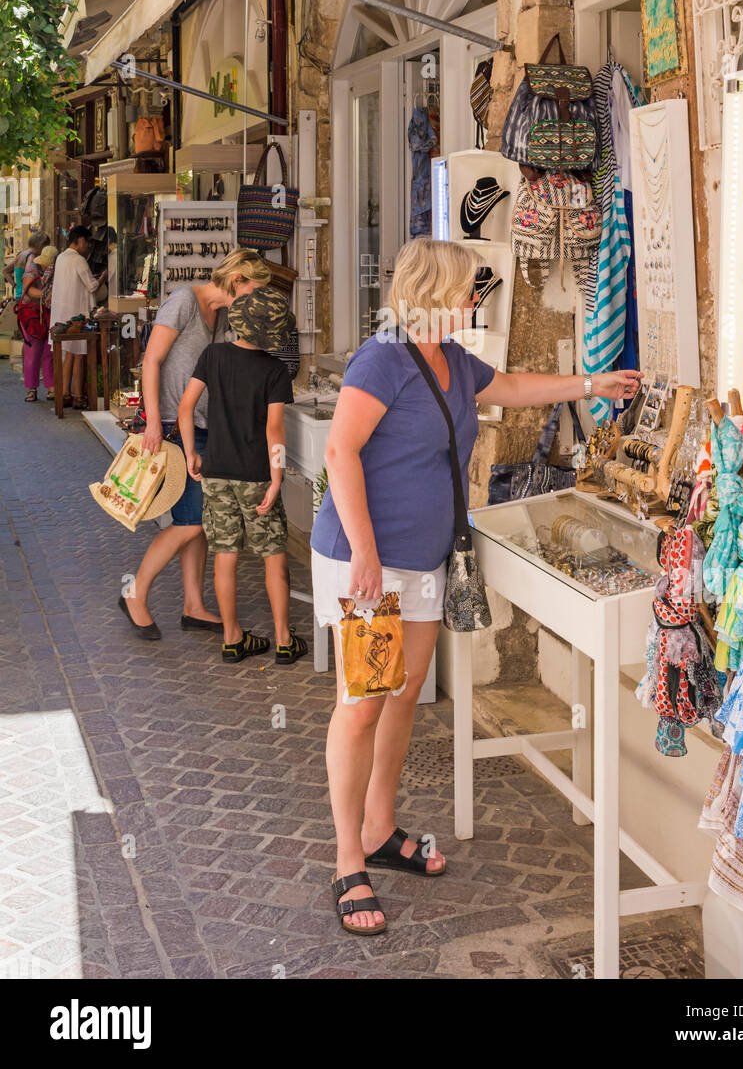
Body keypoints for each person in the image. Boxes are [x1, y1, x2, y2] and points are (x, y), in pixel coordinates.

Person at [311, 236, 642, 935]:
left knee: (405, 692)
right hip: (368, 560)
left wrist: (593, 384)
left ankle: (379, 828)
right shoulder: (383, 357)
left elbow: (512, 388)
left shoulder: (453, 360)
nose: (475, 299)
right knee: (363, 703)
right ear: (435, 292)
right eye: (468, 289)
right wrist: (365, 552)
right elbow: (340, 451)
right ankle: (347, 860)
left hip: (425, 560)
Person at [119, 249, 271, 641]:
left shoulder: (222, 317)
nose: (253, 299)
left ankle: (193, 605)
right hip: (173, 426)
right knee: (189, 523)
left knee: (199, 522)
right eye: (253, 290)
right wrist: (154, 422)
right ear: (237, 280)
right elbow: (152, 361)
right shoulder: (184, 301)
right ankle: (135, 592)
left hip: (203, 426)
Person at [178, 285, 308, 666]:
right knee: (273, 556)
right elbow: (274, 430)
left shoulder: (213, 355)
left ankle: (232, 638)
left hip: (216, 471)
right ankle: (283, 640)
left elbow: (186, 407)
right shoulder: (275, 371)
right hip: (257, 476)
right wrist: (277, 476)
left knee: (225, 555)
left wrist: (191, 453)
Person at [50, 226, 105, 409]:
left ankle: (65, 393)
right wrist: (104, 276)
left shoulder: (61, 258)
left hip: (62, 315)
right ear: (81, 240)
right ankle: (79, 396)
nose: (88, 247)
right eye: (87, 242)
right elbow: (92, 286)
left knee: (69, 354)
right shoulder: (78, 259)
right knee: (79, 355)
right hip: (77, 315)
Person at [19, 244, 58, 401]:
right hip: (32, 316)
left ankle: (51, 387)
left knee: (49, 352)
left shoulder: (53, 272)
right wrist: (47, 294)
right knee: (33, 353)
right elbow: (29, 290)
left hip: (48, 314)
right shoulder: (32, 268)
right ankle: (31, 388)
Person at [4, 231, 49, 300]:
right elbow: (29, 283)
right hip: (27, 298)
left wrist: (15, 286)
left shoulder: (21, 255)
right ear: (41, 245)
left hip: (19, 296)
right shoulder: (32, 257)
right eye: (46, 246)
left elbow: (5, 271)